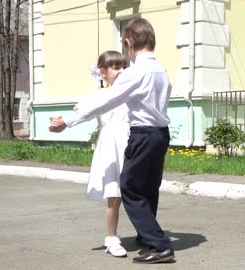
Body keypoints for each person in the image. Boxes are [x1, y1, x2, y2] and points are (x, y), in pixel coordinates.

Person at [48, 18, 175, 264]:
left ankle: (159, 245)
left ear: (128, 43)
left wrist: (67, 121)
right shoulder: (161, 70)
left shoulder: (136, 72)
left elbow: (105, 100)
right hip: (160, 134)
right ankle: (147, 236)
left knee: (129, 187)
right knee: (149, 187)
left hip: (143, 134)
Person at [52, 51, 130, 257]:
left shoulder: (132, 93)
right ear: (103, 72)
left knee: (137, 192)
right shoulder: (99, 97)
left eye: (124, 67)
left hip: (131, 143)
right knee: (114, 194)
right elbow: (83, 113)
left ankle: (146, 233)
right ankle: (112, 238)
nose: (122, 71)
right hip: (111, 146)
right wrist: (63, 123)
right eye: (116, 67)